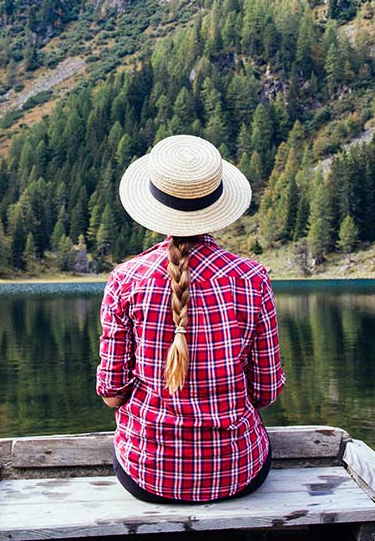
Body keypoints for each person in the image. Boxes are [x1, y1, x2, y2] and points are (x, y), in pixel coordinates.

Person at [96, 134, 285, 504]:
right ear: (217, 205)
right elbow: (265, 393)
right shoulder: (252, 278)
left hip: (147, 474)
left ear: (154, 205)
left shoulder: (126, 280)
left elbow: (112, 396)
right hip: (238, 471)